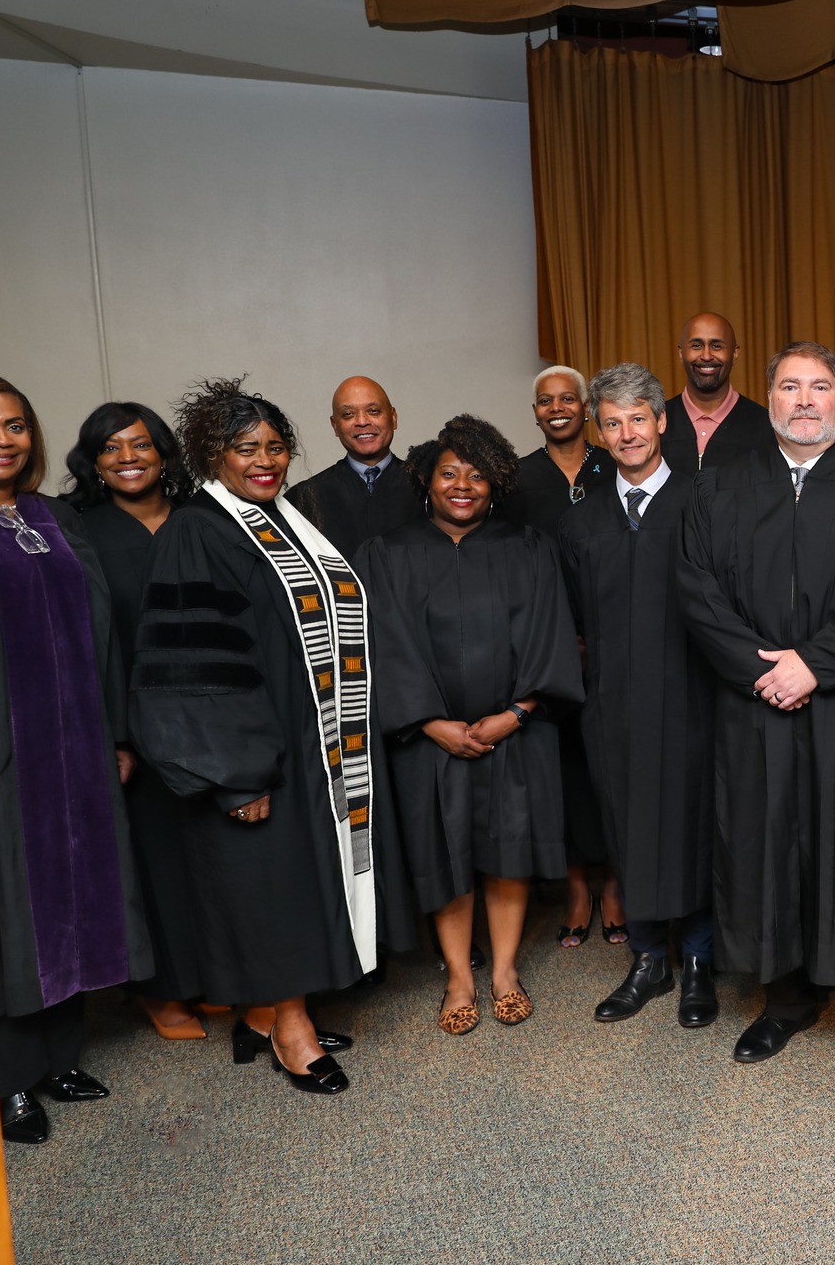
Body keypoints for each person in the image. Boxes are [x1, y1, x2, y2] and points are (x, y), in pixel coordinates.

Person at [131, 378, 414, 1096]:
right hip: (258, 752)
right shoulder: (199, 529)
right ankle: (291, 1030)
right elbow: (197, 664)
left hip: (315, 746)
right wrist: (236, 772)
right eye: (245, 447)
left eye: (275, 446)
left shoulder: (284, 516)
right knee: (274, 889)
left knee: (298, 882)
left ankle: (266, 1013)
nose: (265, 460)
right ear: (211, 454)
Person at [678, 340, 835, 1080]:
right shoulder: (722, 482)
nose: (803, 401)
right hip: (757, 699)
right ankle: (784, 997)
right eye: (788, 387)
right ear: (769, 398)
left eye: (819, 386)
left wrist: (814, 663)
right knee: (767, 845)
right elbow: (696, 589)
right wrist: (764, 669)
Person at [0, 375, 149, 1144]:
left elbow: (102, 631)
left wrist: (116, 733)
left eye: (16, 425)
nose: (1, 440)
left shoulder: (50, 518)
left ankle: (55, 1057)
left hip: (73, 749)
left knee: (71, 896)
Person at [356, 415, 582, 1035]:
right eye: (449, 473)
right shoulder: (386, 555)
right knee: (444, 851)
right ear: (426, 480)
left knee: (507, 851)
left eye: (477, 475)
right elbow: (383, 648)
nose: (462, 485)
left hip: (514, 730)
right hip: (428, 739)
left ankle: (505, 970)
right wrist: (430, 722)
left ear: (495, 483)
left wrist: (516, 714)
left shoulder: (529, 548)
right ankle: (459, 974)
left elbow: (550, 633)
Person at [562, 365, 719, 1031]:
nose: (627, 432)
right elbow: (568, 619)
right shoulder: (584, 519)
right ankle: (650, 957)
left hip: (694, 697)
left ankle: (702, 961)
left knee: (696, 822)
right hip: (615, 701)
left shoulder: (704, 501)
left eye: (638, 418)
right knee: (629, 822)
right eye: (613, 421)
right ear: (601, 429)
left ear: (662, 421)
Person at [64, 402, 210, 1042]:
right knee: (149, 858)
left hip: (211, 716)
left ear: (163, 454)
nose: (129, 457)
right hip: (129, 720)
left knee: (207, 853)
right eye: (112, 448)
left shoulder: (199, 520)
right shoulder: (77, 530)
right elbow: (77, 641)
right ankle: (159, 988)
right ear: (93, 461)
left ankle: (212, 976)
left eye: (142, 445)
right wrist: (115, 734)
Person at [506, 364, 623, 948]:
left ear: (586, 407)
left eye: (568, 399)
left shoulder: (615, 462)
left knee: (617, 760)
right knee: (567, 766)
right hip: (550, 642)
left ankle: (618, 884)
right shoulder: (518, 479)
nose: (557, 408)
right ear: (535, 413)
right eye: (545, 401)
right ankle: (579, 885)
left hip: (617, 636)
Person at [285, 377, 418, 560]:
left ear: (393, 418)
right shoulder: (304, 498)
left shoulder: (427, 488)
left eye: (373, 411)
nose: (362, 421)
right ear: (335, 426)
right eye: (348, 414)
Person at [659, 312, 777, 473]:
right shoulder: (657, 422)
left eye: (716, 346)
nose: (706, 356)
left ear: (735, 354)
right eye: (696, 346)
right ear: (681, 353)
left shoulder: (766, 427)